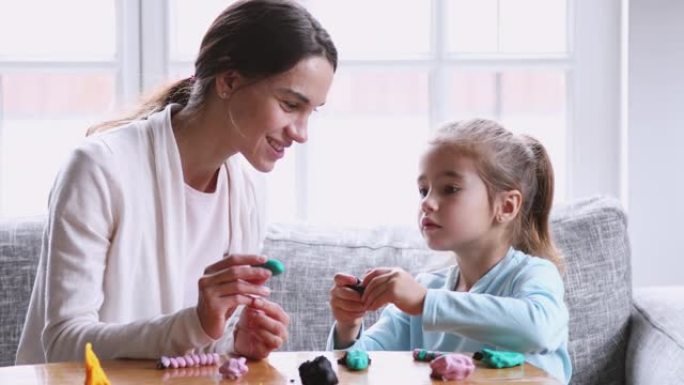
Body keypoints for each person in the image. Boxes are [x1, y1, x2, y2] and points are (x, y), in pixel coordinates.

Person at [16, 0, 336, 364]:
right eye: (290, 105)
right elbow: (63, 345)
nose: (302, 133)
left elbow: (189, 347)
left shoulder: (247, 189)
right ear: (229, 81)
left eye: (312, 112)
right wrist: (197, 325)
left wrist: (233, 343)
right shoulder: (98, 169)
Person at [328, 119, 572, 384]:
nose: (427, 203)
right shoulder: (425, 289)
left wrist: (425, 302)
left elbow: (538, 329)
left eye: (450, 189)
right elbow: (355, 370)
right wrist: (348, 327)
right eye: (423, 190)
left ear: (506, 206)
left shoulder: (532, 274)